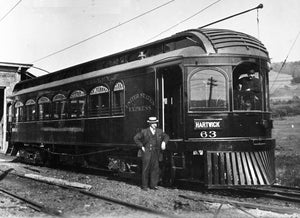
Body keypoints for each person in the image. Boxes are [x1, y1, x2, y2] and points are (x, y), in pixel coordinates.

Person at [133, 116, 169, 191]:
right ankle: (144, 186)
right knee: (146, 168)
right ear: (150, 124)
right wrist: (141, 146)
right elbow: (136, 138)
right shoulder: (144, 131)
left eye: (156, 123)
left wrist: (164, 142)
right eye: (154, 123)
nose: (155, 124)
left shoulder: (159, 131)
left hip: (156, 152)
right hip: (147, 152)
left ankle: (153, 185)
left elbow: (166, 136)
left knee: (155, 169)